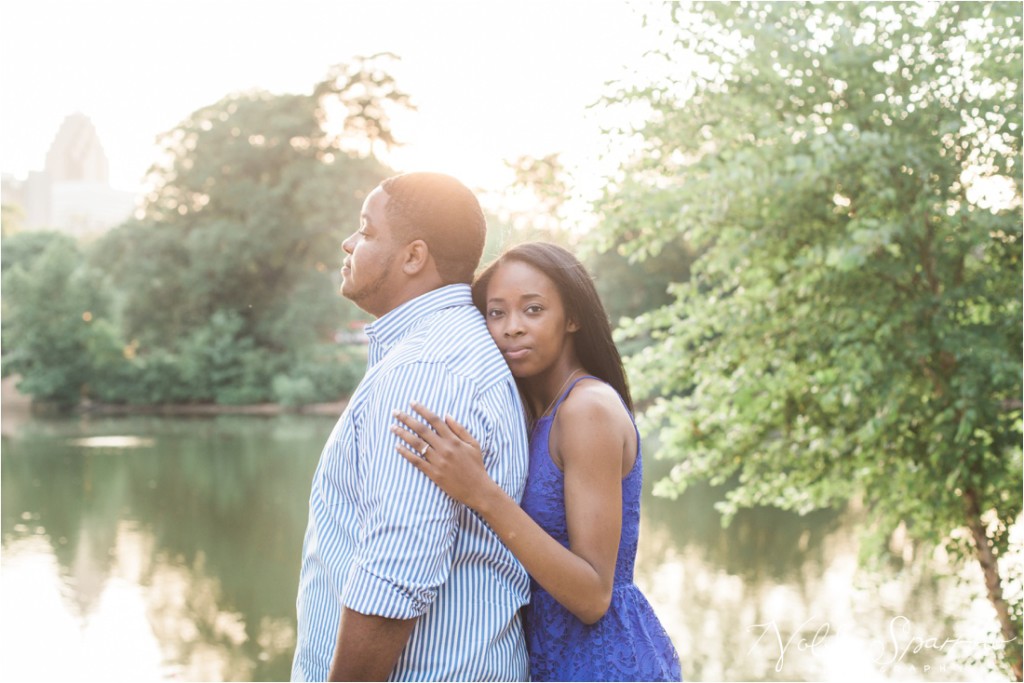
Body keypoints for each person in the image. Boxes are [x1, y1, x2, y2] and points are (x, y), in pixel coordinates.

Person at [393, 241, 682, 682]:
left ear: (572, 318)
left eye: (532, 310)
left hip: (604, 663)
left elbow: (593, 596)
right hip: (548, 661)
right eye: (496, 313)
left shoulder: (587, 410)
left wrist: (481, 492)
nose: (511, 328)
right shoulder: (533, 414)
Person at [291, 173, 532, 682]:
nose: (348, 242)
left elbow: (395, 575)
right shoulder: (446, 350)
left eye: (367, 230)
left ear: (413, 257)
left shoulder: (426, 371)